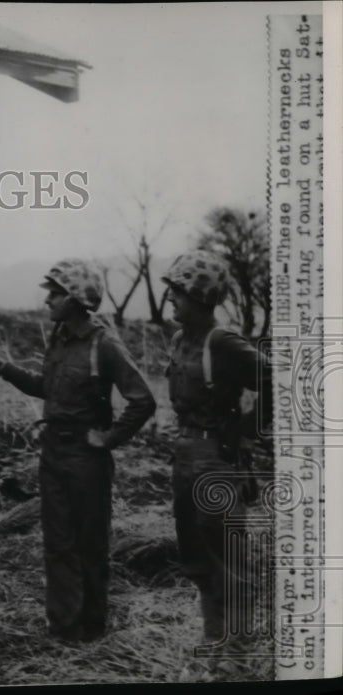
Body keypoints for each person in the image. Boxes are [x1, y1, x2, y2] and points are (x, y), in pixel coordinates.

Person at [0, 259, 156, 642]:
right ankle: (63, 630)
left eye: (55, 293)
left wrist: (108, 440)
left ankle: (92, 630)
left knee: (90, 545)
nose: (48, 300)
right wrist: (5, 370)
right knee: (58, 545)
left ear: (76, 299)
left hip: (87, 460)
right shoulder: (57, 337)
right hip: (53, 456)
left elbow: (143, 400)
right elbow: (48, 388)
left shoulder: (104, 343)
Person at [160, 250, 269, 656]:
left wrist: (246, 428)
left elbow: (274, 377)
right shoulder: (178, 339)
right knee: (195, 552)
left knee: (227, 553)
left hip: (215, 459)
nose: (171, 298)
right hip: (185, 454)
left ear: (199, 295)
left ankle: (237, 647)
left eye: (177, 291)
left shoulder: (221, 342)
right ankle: (212, 637)